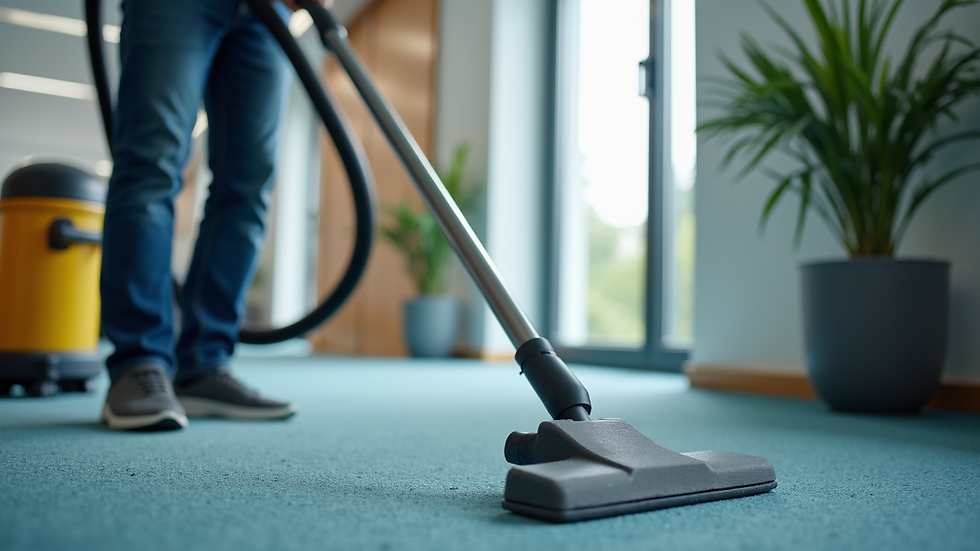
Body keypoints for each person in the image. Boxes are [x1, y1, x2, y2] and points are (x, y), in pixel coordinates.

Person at [99, 0, 321, 430]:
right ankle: (138, 363)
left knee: (250, 183)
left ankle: (204, 365)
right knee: (152, 165)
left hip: (265, 12)